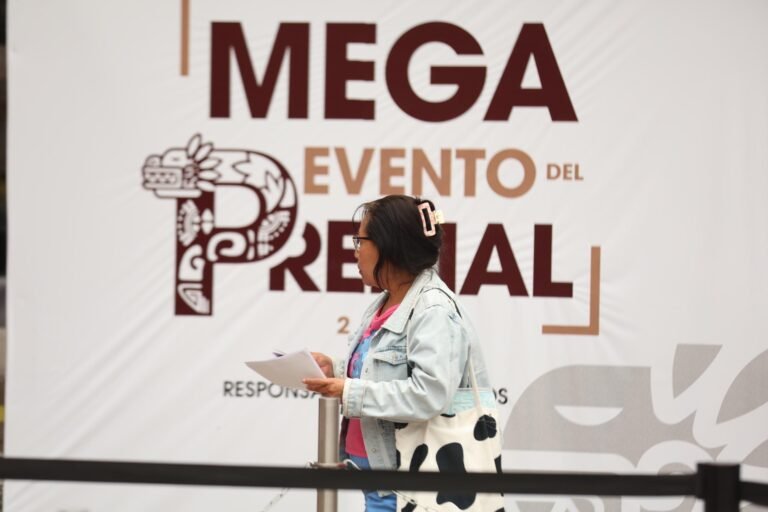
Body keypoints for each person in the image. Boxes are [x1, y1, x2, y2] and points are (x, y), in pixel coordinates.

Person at [304, 195, 496, 512]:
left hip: (409, 490)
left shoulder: (433, 309)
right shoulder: (387, 301)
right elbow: (385, 372)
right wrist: (336, 370)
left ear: (388, 245)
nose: (355, 251)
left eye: (360, 241)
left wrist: (349, 391)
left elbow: (430, 394)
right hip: (382, 483)